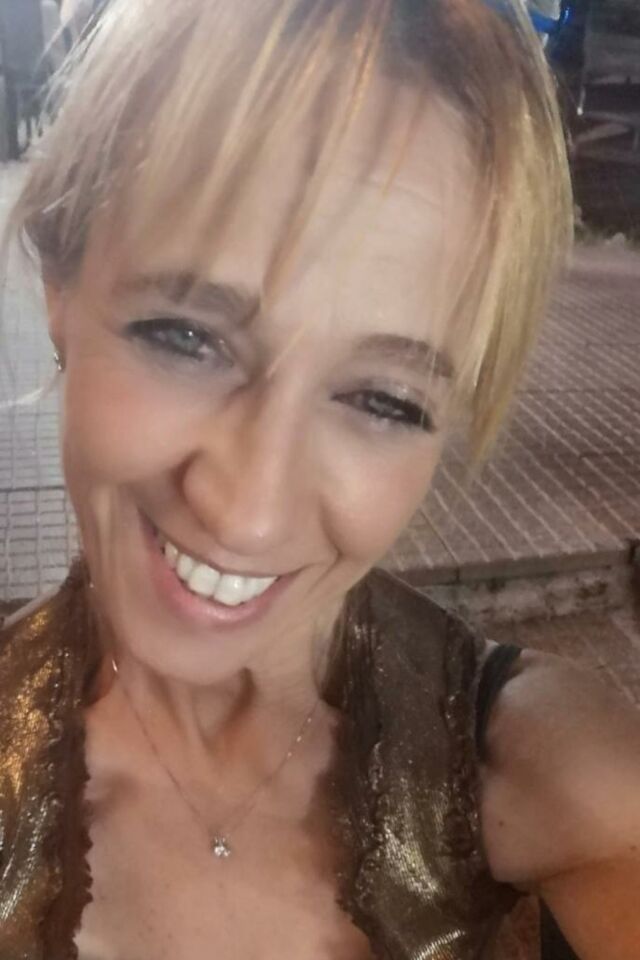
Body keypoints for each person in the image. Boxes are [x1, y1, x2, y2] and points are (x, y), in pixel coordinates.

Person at [1, 1, 639, 958]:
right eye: (186, 337)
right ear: (61, 286)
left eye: (383, 400)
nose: (248, 511)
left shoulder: (553, 776)